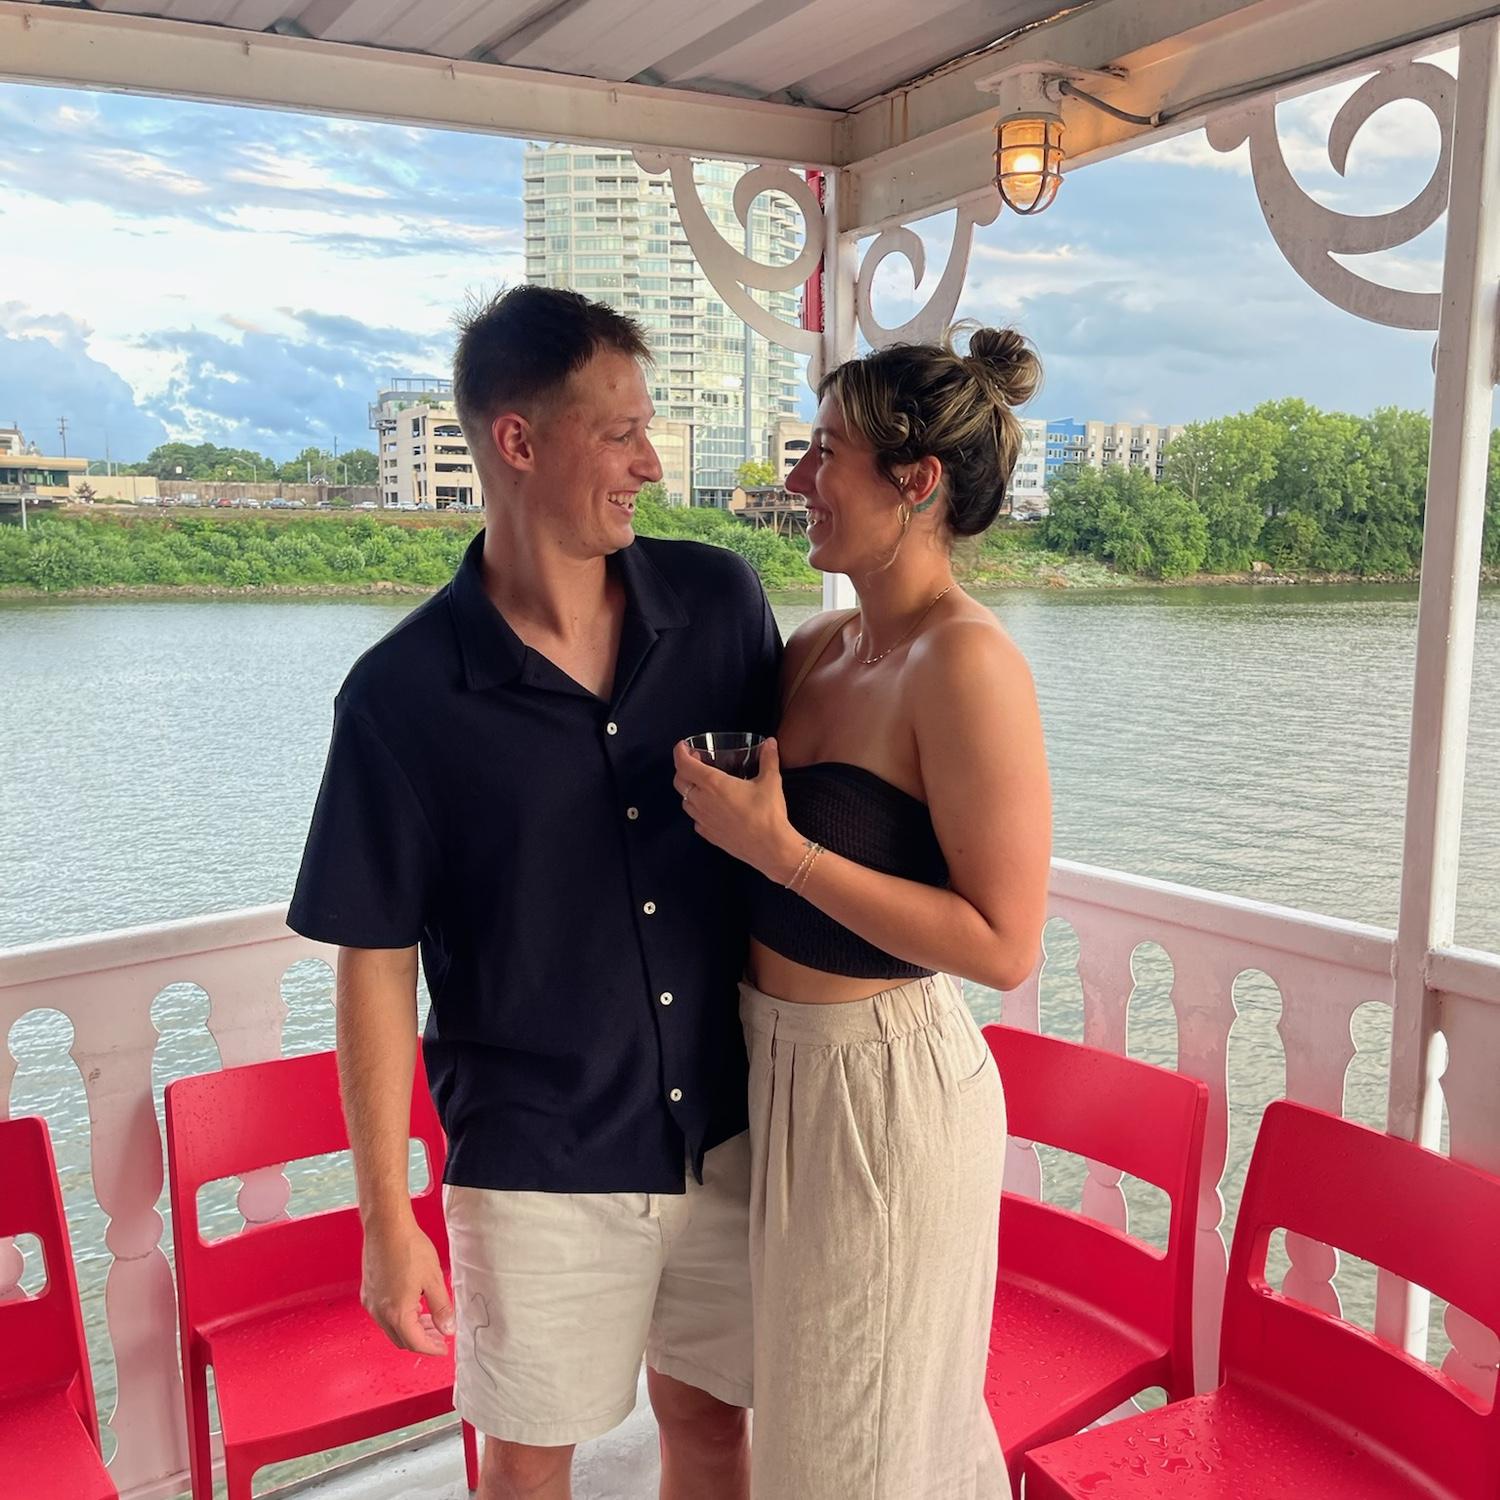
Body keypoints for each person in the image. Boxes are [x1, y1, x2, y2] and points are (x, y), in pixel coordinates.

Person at [288, 285, 780, 1500]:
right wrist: (385, 1214)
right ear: (518, 440)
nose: (651, 463)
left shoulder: (721, 608)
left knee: (713, 1427)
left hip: (729, 1130)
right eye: (622, 433)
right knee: (525, 1469)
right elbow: (373, 962)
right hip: (534, 1160)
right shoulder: (400, 696)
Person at [672, 326, 1052, 1499]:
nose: (798, 479)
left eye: (824, 451)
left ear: (916, 481)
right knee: (782, 1430)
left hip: (881, 1096)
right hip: (763, 1074)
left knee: (855, 1462)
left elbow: (1005, 944)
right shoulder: (814, 650)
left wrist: (784, 856)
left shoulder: (968, 665)